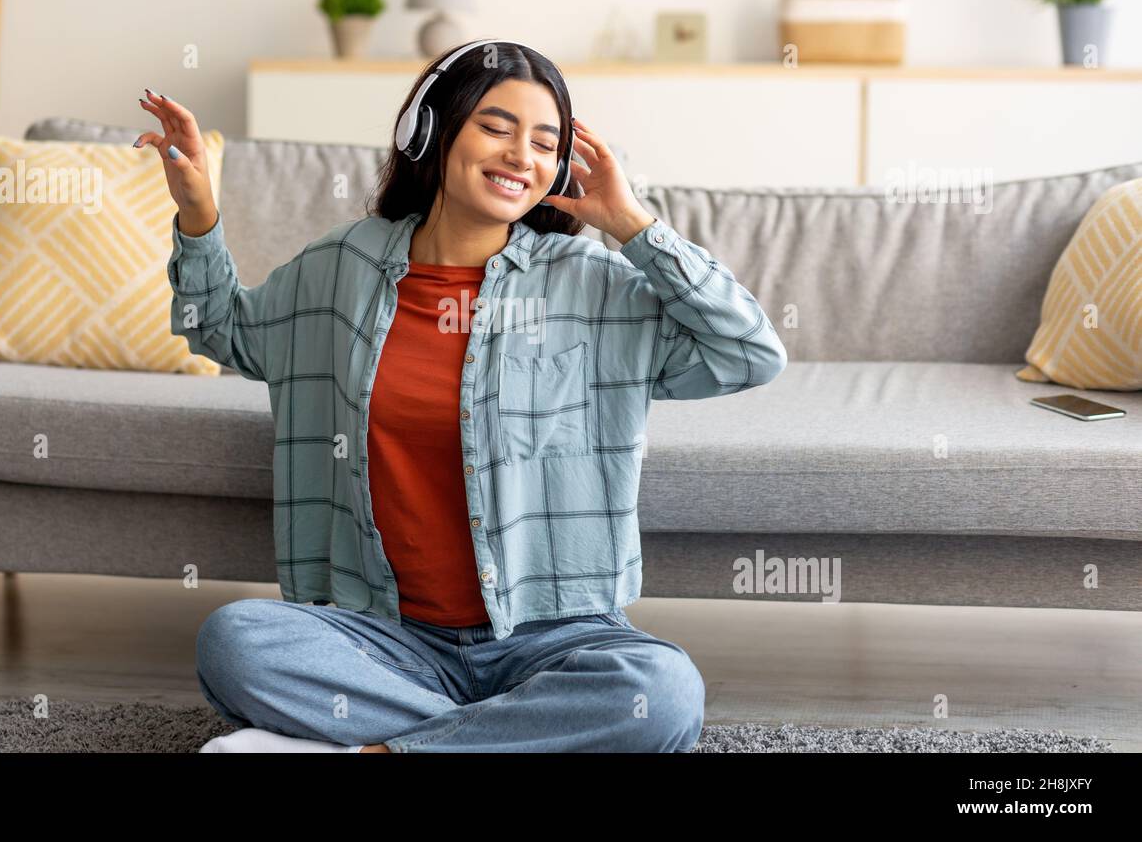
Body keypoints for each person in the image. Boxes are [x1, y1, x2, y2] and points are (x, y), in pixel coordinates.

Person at [136, 40, 788, 753]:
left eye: (546, 142)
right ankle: (520, 738)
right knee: (236, 641)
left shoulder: (591, 283)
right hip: (387, 636)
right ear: (433, 131)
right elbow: (225, 331)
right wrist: (198, 214)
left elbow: (750, 352)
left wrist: (634, 226)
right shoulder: (343, 268)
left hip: (552, 634)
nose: (521, 155)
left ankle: (375, 747)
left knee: (659, 692)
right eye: (496, 127)